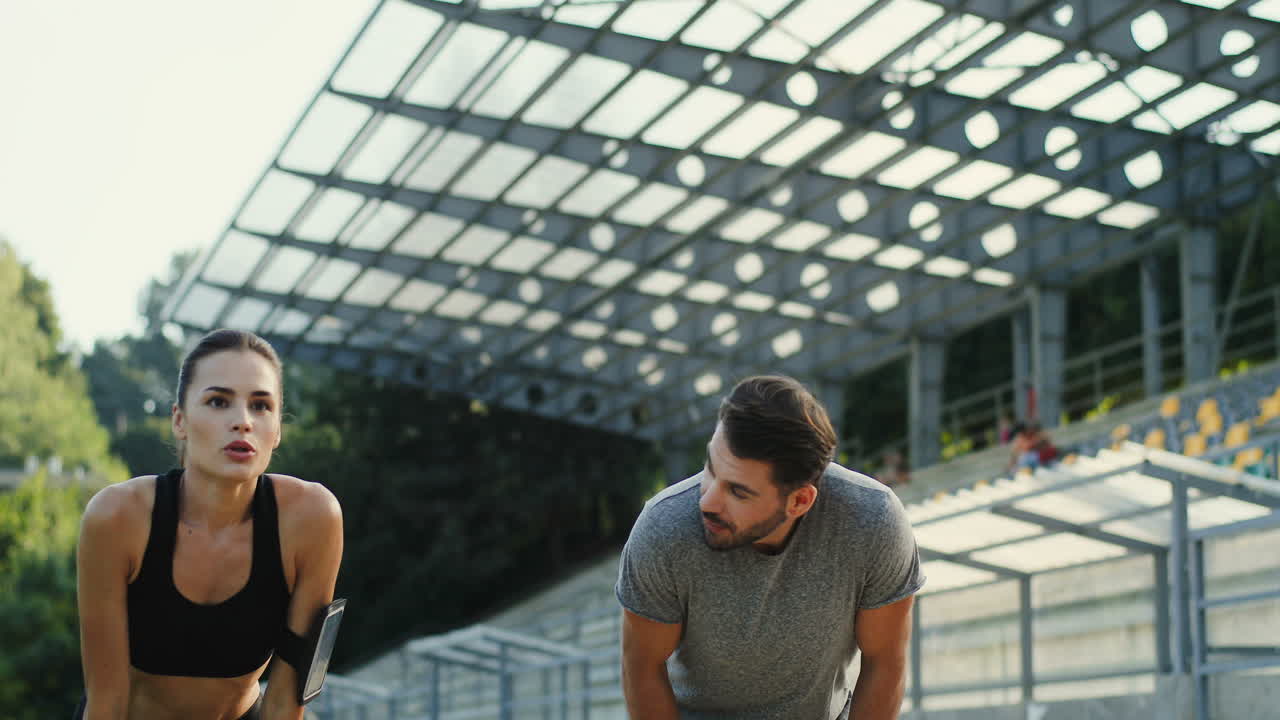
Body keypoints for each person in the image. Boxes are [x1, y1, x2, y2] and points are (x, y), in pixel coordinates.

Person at [617, 375, 925, 719]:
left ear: (799, 501)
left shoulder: (873, 520)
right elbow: (642, 667)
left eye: (738, 492)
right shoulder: (664, 527)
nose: (708, 501)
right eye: (711, 469)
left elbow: (885, 662)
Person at [75, 329, 344, 720]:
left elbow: (286, 702)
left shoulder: (312, 518)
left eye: (261, 405)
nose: (243, 422)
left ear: (277, 430)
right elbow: (106, 703)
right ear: (179, 420)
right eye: (218, 401)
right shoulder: (117, 517)